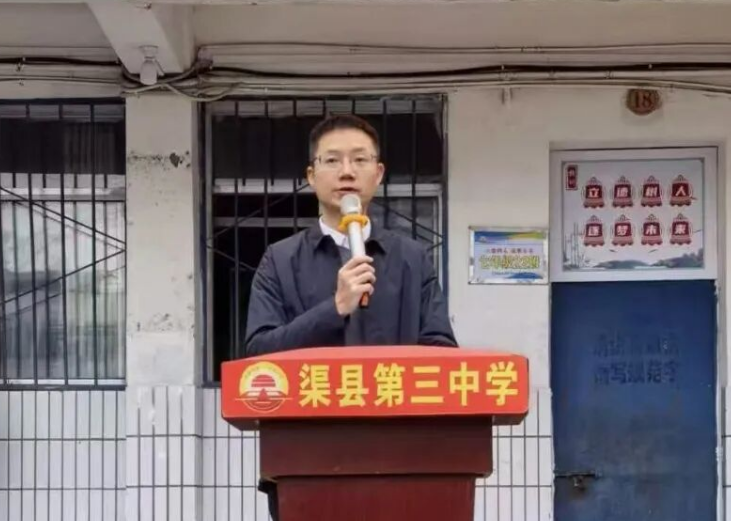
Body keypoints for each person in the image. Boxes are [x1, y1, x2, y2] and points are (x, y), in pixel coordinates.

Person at [244, 113, 457, 519]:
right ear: (311, 175)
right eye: (332, 160)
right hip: (306, 461)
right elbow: (257, 357)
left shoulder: (412, 259)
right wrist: (334, 308)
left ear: (378, 174)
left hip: (402, 461)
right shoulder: (280, 260)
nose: (346, 171)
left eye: (360, 159)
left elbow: (441, 351)